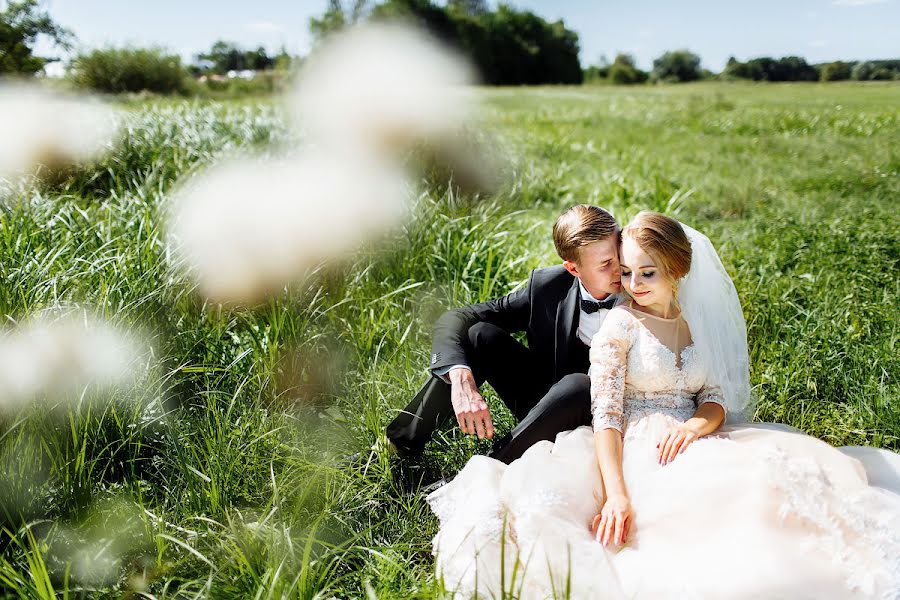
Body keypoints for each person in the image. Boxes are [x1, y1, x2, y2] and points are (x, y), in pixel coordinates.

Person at [426, 211, 900, 599]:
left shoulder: (693, 322)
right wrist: (616, 494)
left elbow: (712, 396)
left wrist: (696, 425)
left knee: (771, 488)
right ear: (576, 268)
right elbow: (606, 413)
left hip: (692, 436)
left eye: (642, 271)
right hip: (629, 436)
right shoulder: (617, 324)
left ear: (677, 271)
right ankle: (423, 436)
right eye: (623, 271)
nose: (630, 282)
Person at [385, 205, 624, 469]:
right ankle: (399, 443)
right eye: (605, 264)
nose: (620, 270)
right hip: (547, 409)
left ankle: (492, 464)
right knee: (480, 335)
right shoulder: (548, 287)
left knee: (579, 386)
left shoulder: (643, 286)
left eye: (619, 255)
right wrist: (459, 374)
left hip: (613, 416)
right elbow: (458, 317)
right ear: (573, 269)